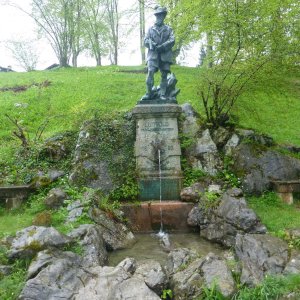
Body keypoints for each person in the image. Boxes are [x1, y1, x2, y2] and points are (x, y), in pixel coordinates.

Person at [141, 6, 175, 101]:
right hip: (153, 54)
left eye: (162, 15)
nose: (160, 17)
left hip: (165, 55)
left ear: (164, 16)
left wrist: (163, 46)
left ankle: (162, 94)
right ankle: (149, 93)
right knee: (150, 72)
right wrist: (153, 45)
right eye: (158, 15)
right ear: (156, 16)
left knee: (164, 75)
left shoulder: (169, 29)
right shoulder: (150, 29)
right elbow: (145, 40)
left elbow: (172, 40)